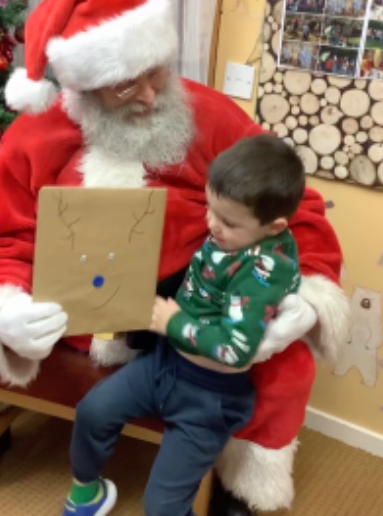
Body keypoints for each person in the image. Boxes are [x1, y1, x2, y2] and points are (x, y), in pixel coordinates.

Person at [0, 0, 349, 516]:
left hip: (186, 304)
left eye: (156, 72)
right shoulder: (31, 137)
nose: (148, 94)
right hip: (70, 306)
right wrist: (5, 312)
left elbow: (291, 206)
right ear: (83, 83)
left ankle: (240, 480)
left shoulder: (209, 115)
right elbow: (7, 237)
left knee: (288, 359)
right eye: (125, 84)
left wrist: (308, 292)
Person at [64, 134, 305, 515]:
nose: (212, 224)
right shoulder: (233, 231)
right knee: (93, 410)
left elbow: (235, 348)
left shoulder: (267, 269)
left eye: (228, 222)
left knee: (163, 507)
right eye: (211, 209)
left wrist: (174, 322)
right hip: (164, 364)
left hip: (210, 397)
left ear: (274, 227)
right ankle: (87, 489)